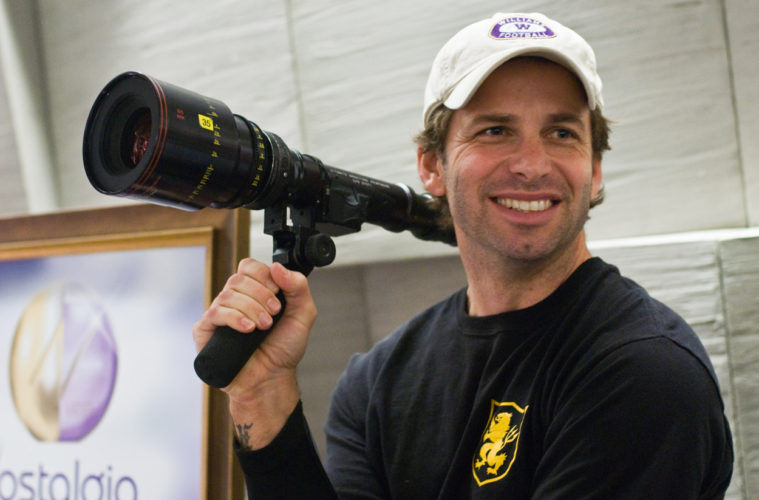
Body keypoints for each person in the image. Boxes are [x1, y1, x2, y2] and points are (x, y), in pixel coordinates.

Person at [193, 12, 734, 499]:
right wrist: (262, 396)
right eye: (495, 130)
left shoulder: (642, 373)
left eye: (561, 133)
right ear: (432, 165)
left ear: (593, 171)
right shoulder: (378, 382)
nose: (531, 164)